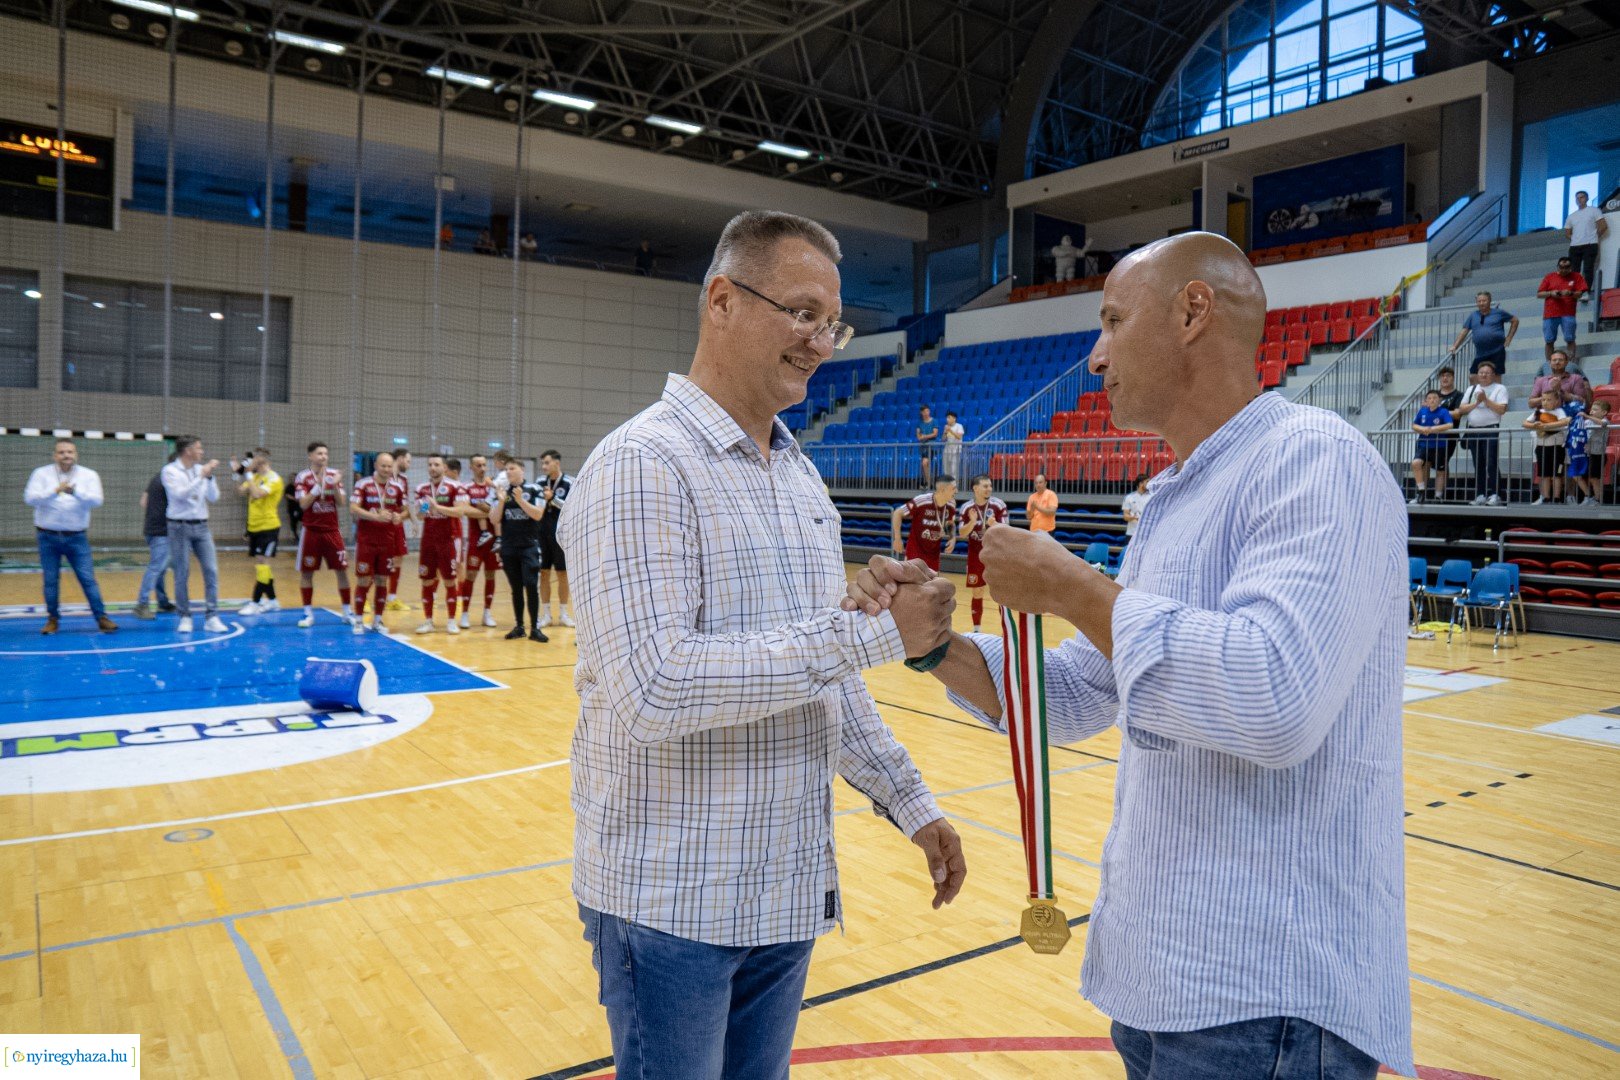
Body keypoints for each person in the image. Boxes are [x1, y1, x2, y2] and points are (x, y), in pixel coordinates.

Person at [845, 231, 1414, 1080]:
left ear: (1192, 312)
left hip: (1268, 997)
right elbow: (1078, 693)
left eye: (1112, 321)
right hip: (1165, 981)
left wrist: (1076, 588)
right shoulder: (1175, 499)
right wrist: (936, 646)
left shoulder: (1315, 461)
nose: (1096, 356)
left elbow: (1274, 698)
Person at [559, 209, 964, 1080]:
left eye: (834, 322)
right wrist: (867, 639)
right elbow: (653, 687)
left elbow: (827, 680)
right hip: (673, 906)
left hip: (783, 893)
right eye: (802, 312)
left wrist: (911, 802)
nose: (823, 341)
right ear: (722, 300)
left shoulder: (800, 477)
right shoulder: (642, 465)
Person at [24, 438, 116, 635]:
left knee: (88, 578)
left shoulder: (89, 475)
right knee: (50, 580)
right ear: (54, 455)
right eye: (62, 452)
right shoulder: (41, 474)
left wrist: (74, 491)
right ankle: (52, 620)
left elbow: (97, 500)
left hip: (77, 537)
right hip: (47, 536)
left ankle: (102, 617)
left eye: (70, 452)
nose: (66, 455)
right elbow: (29, 498)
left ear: (76, 454)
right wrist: (54, 491)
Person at [162, 435, 226, 634]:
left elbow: (214, 497)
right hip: (178, 527)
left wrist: (209, 477)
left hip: (202, 526)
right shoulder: (170, 471)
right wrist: (200, 477)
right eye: (198, 448)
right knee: (182, 572)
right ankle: (184, 616)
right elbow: (179, 495)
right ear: (188, 450)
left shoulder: (201, 470)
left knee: (211, 570)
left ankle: (212, 616)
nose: (202, 452)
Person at [293, 441, 354, 629]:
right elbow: (303, 504)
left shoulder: (334, 475)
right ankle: (307, 613)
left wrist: (334, 485)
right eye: (319, 453)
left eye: (325, 454)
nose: (323, 457)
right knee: (307, 572)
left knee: (342, 571)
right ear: (310, 456)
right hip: (311, 532)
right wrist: (317, 486)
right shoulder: (302, 477)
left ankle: (346, 612)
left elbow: (342, 502)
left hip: (332, 531)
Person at [350, 452, 407, 634]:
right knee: (364, 579)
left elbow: (405, 510)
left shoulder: (397, 487)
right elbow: (353, 508)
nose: (387, 469)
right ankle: (358, 620)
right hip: (367, 541)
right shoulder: (363, 484)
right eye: (383, 466)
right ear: (376, 465)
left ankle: (378, 620)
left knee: (382, 580)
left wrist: (400, 516)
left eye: (390, 466)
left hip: (387, 542)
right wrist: (375, 516)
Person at [413, 454, 470, 635]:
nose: (433, 467)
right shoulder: (421, 488)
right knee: (427, 580)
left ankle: (452, 621)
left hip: (448, 540)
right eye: (430, 464)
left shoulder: (456, 487)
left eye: (436, 464)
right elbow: (420, 516)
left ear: (444, 468)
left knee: (449, 580)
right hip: (428, 540)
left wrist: (438, 507)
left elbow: (460, 511)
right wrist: (425, 508)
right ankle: (428, 620)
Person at [494, 458, 548, 642]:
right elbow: (494, 519)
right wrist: (501, 502)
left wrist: (520, 501)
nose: (508, 472)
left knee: (531, 585)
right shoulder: (502, 492)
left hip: (529, 546)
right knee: (515, 588)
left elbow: (538, 514)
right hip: (509, 547)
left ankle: (535, 628)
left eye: (512, 468)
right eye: (507, 469)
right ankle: (519, 626)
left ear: (522, 470)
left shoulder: (534, 489)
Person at [235, 448, 284, 615]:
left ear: (263, 460)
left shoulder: (274, 479)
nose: (252, 461)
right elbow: (241, 491)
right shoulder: (254, 476)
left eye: (255, 459)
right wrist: (238, 473)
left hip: (268, 527)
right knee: (262, 567)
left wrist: (248, 473)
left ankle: (255, 602)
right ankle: (273, 601)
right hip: (254, 527)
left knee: (263, 564)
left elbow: (256, 493)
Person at [958, 474, 1007, 632]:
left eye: (990, 486)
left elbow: (1006, 531)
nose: (989, 489)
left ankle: (1005, 630)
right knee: (977, 592)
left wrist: (995, 524)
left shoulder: (998, 505)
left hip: (995, 557)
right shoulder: (966, 508)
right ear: (975, 488)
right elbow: (962, 533)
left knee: (1000, 593)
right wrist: (972, 522)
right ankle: (977, 630)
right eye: (985, 486)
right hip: (975, 557)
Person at [457, 454, 501, 629]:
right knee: (471, 575)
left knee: (491, 574)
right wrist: (489, 512)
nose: (482, 468)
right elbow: (465, 510)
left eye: (484, 465)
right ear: (471, 467)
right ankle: (465, 613)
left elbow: (501, 508)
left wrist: (487, 511)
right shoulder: (466, 487)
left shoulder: (494, 487)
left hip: (494, 539)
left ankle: (487, 613)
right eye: (478, 465)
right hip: (477, 539)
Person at [1455, 361, 1509, 505]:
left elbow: (1502, 409)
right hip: (1473, 429)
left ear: (1493, 375)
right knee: (1478, 463)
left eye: (1487, 373)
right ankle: (1480, 494)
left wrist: (1486, 400)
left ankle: (1496, 494)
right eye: (1481, 373)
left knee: (1491, 462)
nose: (1484, 375)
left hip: (1491, 429)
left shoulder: (1500, 388)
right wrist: (1477, 403)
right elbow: (1461, 409)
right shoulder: (1471, 389)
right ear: (1477, 375)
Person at [536, 450, 575, 628]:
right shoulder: (539, 483)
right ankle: (546, 615)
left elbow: (571, 507)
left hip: (561, 535)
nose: (544, 466)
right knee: (544, 573)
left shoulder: (570, 482)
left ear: (557, 463)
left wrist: (554, 499)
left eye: (547, 463)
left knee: (562, 574)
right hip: (541, 534)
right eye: (543, 463)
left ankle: (564, 614)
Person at [134, 459, 176, 620]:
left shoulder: (156, 478)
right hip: (161, 531)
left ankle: (163, 602)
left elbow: (143, 502)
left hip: (152, 529)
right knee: (156, 567)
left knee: (160, 568)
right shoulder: (169, 480)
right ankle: (142, 604)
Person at [890, 475, 959, 571]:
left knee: (931, 585)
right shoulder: (921, 500)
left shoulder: (951, 504)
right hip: (915, 554)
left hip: (933, 556)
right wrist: (897, 538)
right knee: (912, 585)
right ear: (943, 490)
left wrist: (953, 538)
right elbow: (898, 513)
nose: (956, 491)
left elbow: (950, 523)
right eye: (954, 488)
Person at [1446, 291, 1517, 375]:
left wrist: (1509, 338)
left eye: (1484, 301)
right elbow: (1464, 331)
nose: (1481, 303)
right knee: (1473, 375)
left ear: (1489, 301)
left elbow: (1515, 320)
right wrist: (1455, 346)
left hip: (1497, 351)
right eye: (1479, 301)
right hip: (1481, 353)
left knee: (1496, 376)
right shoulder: (1473, 315)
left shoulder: (1499, 313)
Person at [1537, 255, 1588, 368]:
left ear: (1570, 267)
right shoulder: (1549, 277)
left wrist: (1570, 293)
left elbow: (1580, 293)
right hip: (1550, 314)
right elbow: (1539, 294)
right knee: (1549, 340)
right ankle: (1549, 364)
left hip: (1568, 313)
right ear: (1558, 267)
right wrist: (1551, 293)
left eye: (1567, 267)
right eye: (1561, 267)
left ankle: (1570, 364)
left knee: (1570, 339)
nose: (1564, 269)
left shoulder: (1577, 277)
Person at [1523, 390, 1571, 505]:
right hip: (1542, 447)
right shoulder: (1538, 412)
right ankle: (1546, 497)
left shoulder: (1559, 411)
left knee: (1556, 474)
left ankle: (1557, 498)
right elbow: (1525, 423)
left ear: (1556, 401)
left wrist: (1545, 426)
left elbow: (1564, 422)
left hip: (1557, 447)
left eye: (1549, 400)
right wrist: (1533, 425)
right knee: (1544, 474)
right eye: (1543, 399)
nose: (1545, 402)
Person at [1409, 390, 1455, 505]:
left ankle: (1438, 496)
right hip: (1424, 445)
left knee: (1440, 471)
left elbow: (1450, 425)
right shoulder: (1423, 411)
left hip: (1440, 446)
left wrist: (1433, 429)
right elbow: (1414, 425)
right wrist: (1422, 429)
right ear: (1426, 401)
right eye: (1429, 398)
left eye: (1434, 398)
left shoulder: (1443, 411)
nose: (1432, 400)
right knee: (1416, 463)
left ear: (1439, 400)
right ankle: (1421, 491)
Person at [1564, 189, 1608, 292]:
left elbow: (1603, 226)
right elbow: (1567, 233)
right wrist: (1575, 238)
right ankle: (1575, 290)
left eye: (1582, 197)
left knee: (1588, 269)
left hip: (1590, 245)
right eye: (1577, 198)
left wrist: (1594, 237)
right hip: (1575, 246)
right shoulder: (1571, 216)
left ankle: (1585, 291)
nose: (1579, 200)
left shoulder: (1594, 210)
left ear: (1587, 198)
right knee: (1574, 270)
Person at [1570, 400, 1610, 506]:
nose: (1592, 411)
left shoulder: (1605, 420)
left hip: (1598, 454)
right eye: (1592, 409)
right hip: (1586, 454)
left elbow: (1603, 424)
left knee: (1594, 478)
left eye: (1596, 410)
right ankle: (1589, 496)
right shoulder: (1588, 422)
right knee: (1577, 474)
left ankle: (1597, 500)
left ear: (1604, 412)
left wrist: (1587, 417)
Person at [386, 449, 412, 611]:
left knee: (398, 560)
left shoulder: (403, 480)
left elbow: (405, 506)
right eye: (408, 461)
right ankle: (367, 598)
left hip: (397, 525)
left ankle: (392, 598)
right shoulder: (383, 475)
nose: (408, 464)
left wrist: (403, 516)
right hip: (380, 525)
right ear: (400, 458)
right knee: (378, 561)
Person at [1432, 367, 1463, 500]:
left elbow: (1457, 414)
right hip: (1433, 434)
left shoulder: (1458, 395)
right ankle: (1423, 492)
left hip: (1449, 435)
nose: (1445, 378)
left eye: (1448, 375)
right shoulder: (1434, 395)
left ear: (1453, 378)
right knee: (1428, 462)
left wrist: (1438, 411)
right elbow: (1426, 411)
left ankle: (1440, 494)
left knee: (1442, 462)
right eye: (1443, 376)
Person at [916, 404, 939, 485]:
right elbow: (918, 436)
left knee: (925, 462)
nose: (926, 413)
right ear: (921, 413)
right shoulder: (920, 423)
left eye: (927, 411)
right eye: (924, 411)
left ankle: (928, 482)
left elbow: (935, 434)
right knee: (925, 464)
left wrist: (925, 436)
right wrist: (921, 437)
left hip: (931, 447)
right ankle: (929, 482)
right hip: (923, 447)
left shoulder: (934, 421)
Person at [941, 410, 964, 480]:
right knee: (946, 469)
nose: (947, 419)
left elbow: (959, 436)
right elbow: (943, 440)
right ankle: (947, 485)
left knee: (954, 469)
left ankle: (954, 486)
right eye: (947, 418)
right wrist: (945, 432)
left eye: (949, 417)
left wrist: (950, 430)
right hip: (947, 450)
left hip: (956, 450)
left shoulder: (959, 426)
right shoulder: (946, 427)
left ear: (954, 418)